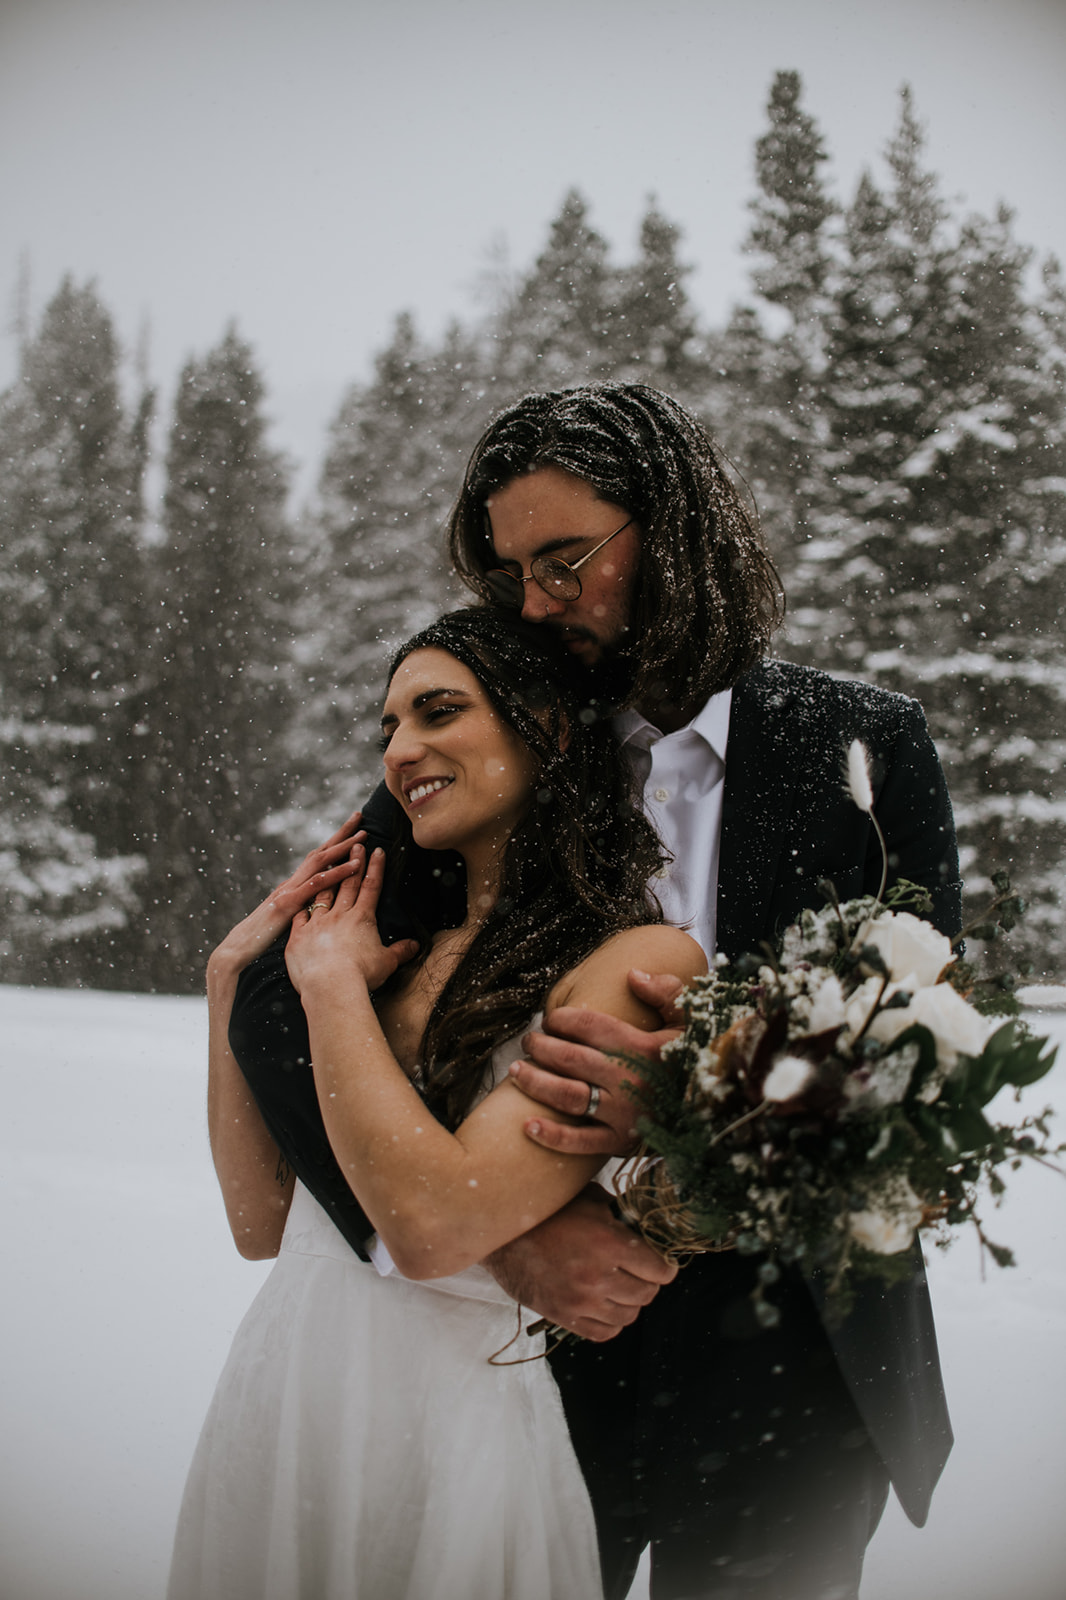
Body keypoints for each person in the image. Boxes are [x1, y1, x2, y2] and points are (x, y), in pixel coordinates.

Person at [229, 383, 960, 1600]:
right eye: (512, 570)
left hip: (801, 1362)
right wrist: (499, 1237)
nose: (534, 601)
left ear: (672, 530)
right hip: (535, 1363)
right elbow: (284, 1001)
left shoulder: (865, 750)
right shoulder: (509, 735)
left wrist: (706, 1121)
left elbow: (918, 1048)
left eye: (564, 559)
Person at [167, 608, 706, 1600]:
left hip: (451, 1425)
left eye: (437, 711)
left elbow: (428, 1226)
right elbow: (262, 1221)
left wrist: (329, 990)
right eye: (387, 729)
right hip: (290, 1393)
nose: (400, 749)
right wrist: (230, 976)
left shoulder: (635, 960)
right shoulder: (391, 940)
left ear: (546, 726)